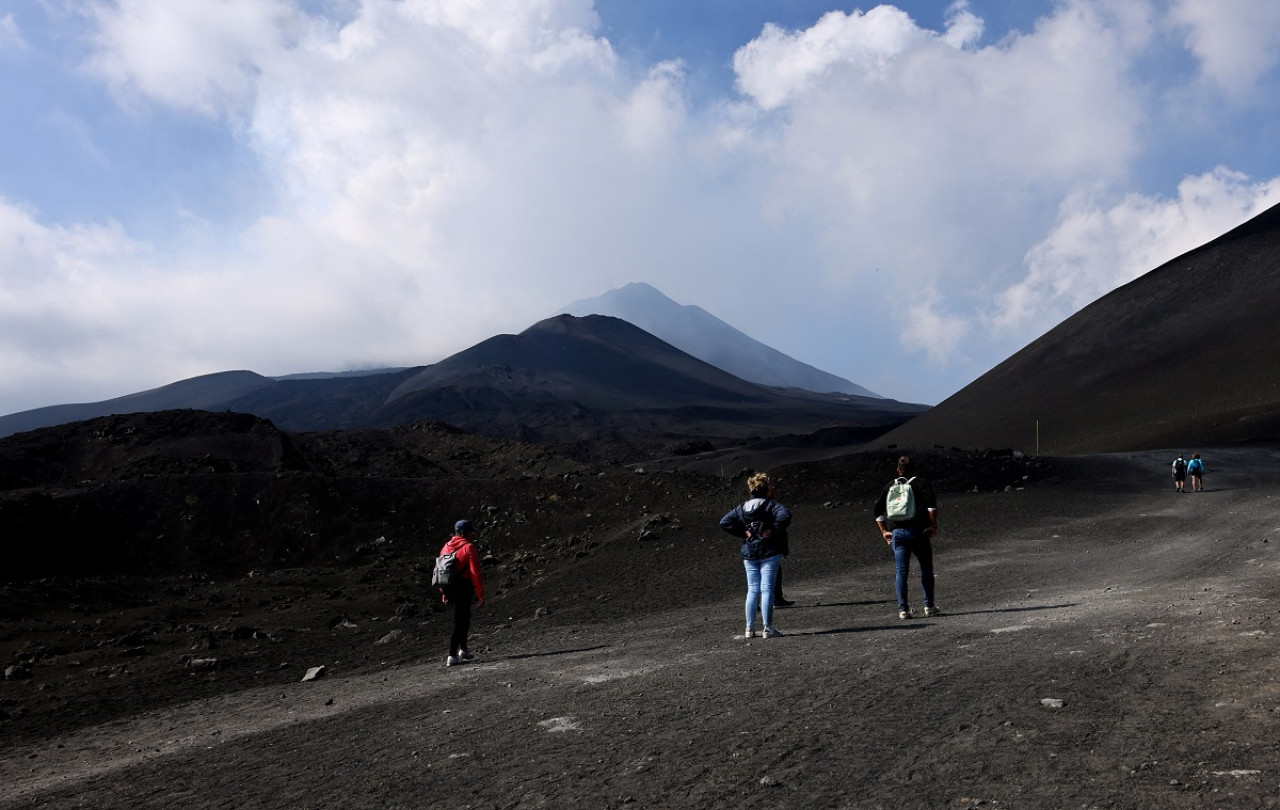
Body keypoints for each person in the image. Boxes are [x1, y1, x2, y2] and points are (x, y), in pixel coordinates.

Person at [720, 472, 792, 639]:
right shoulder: (770, 505)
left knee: (752, 590)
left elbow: (724, 522)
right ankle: (768, 629)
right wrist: (773, 530)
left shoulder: (742, 508)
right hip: (769, 551)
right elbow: (786, 515)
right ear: (766, 489)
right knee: (767, 589)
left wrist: (744, 532)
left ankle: (749, 629)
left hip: (750, 552)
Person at [873, 456, 940, 620]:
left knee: (901, 571)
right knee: (926, 568)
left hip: (898, 533)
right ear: (914, 469)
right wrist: (932, 525)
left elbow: (877, 510)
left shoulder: (890, 486)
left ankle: (903, 609)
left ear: (898, 470)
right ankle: (929, 606)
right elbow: (931, 507)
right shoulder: (922, 483)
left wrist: (884, 531)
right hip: (919, 532)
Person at [438, 519, 485, 667]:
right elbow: (475, 573)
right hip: (462, 586)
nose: (473, 535)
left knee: (464, 617)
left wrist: (444, 592)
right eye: (471, 532)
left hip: (449, 587)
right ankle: (452, 655)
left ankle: (463, 649)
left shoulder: (446, 547)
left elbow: (441, 570)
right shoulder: (469, 548)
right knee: (459, 620)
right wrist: (480, 593)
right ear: (465, 533)